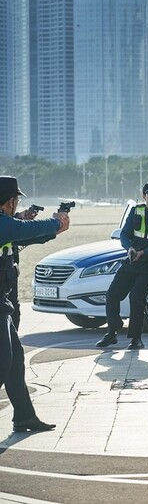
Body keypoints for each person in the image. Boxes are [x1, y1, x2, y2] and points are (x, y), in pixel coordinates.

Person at [0, 176, 70, 432]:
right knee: (3, 361)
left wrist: (52, 229)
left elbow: (27, 236)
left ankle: (24, 417)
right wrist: (57, 223)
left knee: (15, 359)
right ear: (10, 201)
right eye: (16, 201)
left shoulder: (6, 223)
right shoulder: (3, 224)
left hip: (2, 303)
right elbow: (24, 231)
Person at [96, 182, 148, 350]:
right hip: (132, 261)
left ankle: (136, 339)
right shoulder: (136, 211)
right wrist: (129, 248)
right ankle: (112, 332)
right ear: (143, 195)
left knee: (136, 297)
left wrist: (144, 253)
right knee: (112, 294)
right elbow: (124, 234)